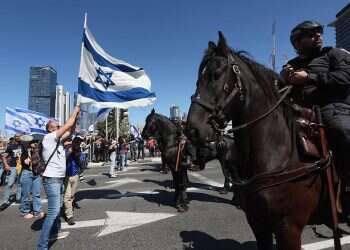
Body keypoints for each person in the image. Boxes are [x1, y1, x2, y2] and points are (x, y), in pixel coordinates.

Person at [280, 20, 350, 207]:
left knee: (342, 129)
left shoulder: (333, 54)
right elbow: (279, 91)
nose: (318, 35)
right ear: (297, 42)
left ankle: (348, 188)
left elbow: (345, 78)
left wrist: (309, 77)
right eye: (311, 34)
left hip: (334, 107)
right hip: (300, 111)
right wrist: (284, 81)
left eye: (319, 33)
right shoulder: (291, 65)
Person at [37, 105, 80, 250]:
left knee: (56, 209)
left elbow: (71, 129)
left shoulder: (59, 142)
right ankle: (42, 246)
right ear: (50, 129)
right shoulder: (48, 138)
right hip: (52, 180)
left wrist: (77, 117)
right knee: (53, 211)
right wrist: (75, 109)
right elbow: (68, 125)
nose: (60, 126)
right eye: (57, 125)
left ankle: (53, 232)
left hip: (59, 179)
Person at [20, 140, 44, 219]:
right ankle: (25, 211)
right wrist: (26, 159)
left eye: (36, 143)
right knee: (26, 194)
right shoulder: (25, 151)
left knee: (36, 194)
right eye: (33, 143)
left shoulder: (38, 151)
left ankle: (37, 211)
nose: (35, 144)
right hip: (27, 173)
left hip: (36, 174)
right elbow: (24, 160)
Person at [0, 134, 24, 210]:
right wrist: (6, 165)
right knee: (10, 183)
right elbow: (3, 156)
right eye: (17, 136)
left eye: (20, 136)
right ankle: (5, 201)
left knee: (20, 183)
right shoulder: (11, 146)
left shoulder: (24, 146)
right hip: (13, 167)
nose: (19, 137)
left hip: (22, 167)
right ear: (14, 137)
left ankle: (18, 198)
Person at [63, 137, 82, 225]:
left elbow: (80, 161)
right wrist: (69, 152)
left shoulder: (76, 150)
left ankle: (68, 208)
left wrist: (76, 150)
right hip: (66, 176)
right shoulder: (63, 150)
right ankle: (69, 216)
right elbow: (63, 160)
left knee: (72, 195)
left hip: (75, 175)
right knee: (67, 197)